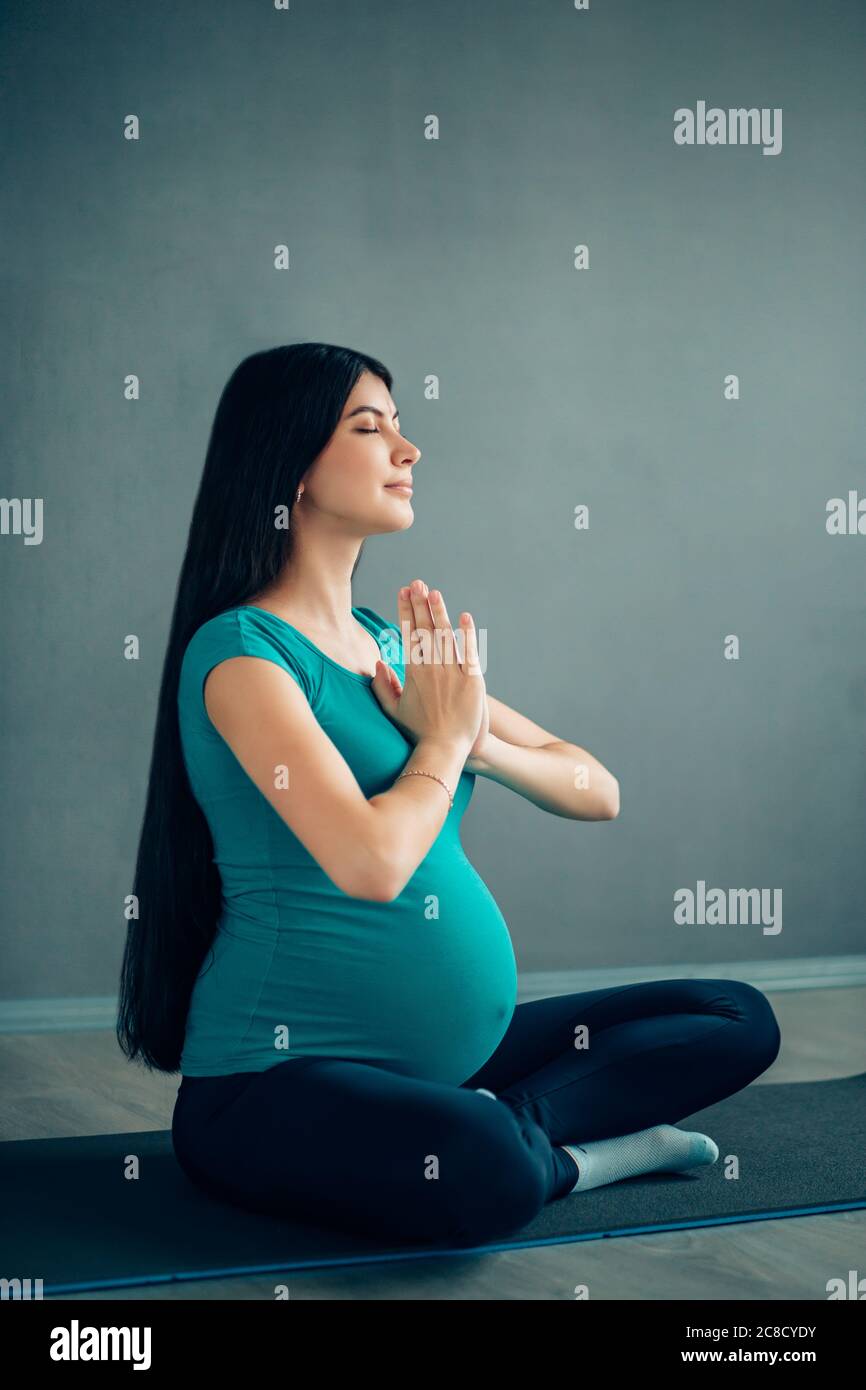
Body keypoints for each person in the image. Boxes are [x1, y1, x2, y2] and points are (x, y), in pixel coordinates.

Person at [117, 342, 781, 1248]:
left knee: (737, 1018)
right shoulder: (242, 659)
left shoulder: (392, 645)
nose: (408, 449)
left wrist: (477, 744)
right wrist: (441, 738)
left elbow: (597, 789)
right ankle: (572, 1155)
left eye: (400, 423)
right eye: (369, 426)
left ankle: (502, 1122)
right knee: (484, 1168)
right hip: (269, 1090)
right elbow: (372, 862)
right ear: (290, 467)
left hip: (448, 1065)